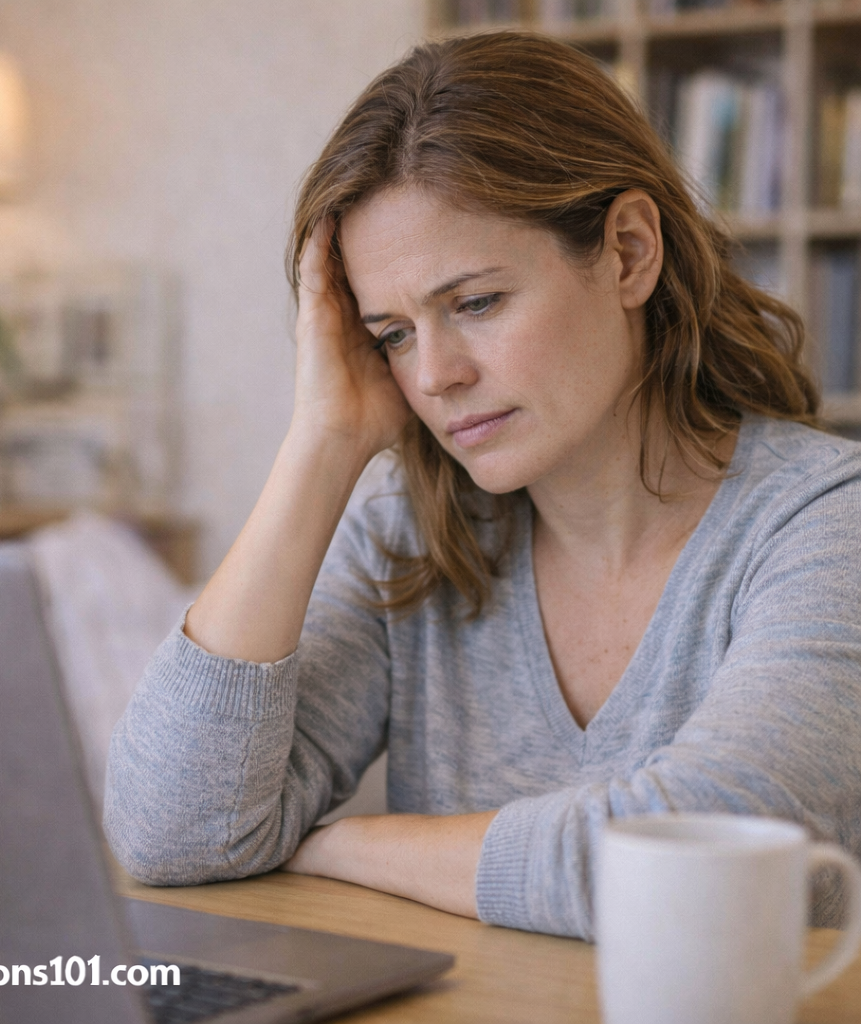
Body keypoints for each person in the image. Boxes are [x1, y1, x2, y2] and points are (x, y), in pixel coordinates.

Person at [104, 32, 861, 940]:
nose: (434, 376)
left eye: (475, 304)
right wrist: (321, 444)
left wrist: (338, 845)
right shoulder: (415, 531)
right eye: (392, 333)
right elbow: (169, 831)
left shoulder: (824, 523)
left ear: (627, 252)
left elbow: (690, 861)